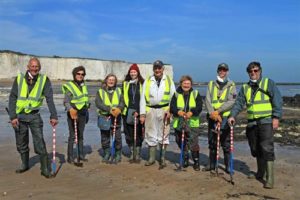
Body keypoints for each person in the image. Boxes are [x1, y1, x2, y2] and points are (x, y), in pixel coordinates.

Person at [228, 61, 282, 189]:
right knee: (255, 148)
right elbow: (239, 103)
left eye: (256, 70)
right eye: (251, 71)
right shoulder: (245, 88)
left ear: (260, 71)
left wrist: (276, 117)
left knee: (267, 148)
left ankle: (270, 179)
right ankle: (260, 173)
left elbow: (277, 100)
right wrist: (232, 115)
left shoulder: (268, 83)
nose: (253, 73)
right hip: (252, 123)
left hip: (266, 122)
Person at [8, 57, 58, 178]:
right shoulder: (19, 79)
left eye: (37, 66)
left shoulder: (44, 80)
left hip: (34, 116)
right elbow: (12, 98)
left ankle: (45, 168)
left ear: (39, 68)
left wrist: (53, 115)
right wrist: (13, 116)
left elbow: (49, 98)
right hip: (19, 117)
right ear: (28, 67)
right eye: (33, 66)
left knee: (40, 142)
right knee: (21, 143)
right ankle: (24, 164)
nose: (35, 68)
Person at [140, 60, 175, 167]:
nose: (157, 70)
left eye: (159, 68)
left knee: (164, 134)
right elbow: (142, 98)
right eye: (155, 68)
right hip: (150, 110)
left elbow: (173, 98)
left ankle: (162, 158)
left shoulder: (169, 80)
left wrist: (170, 111)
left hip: (164, 111)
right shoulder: (148, 80)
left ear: (163, 69)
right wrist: (142, 114)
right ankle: (151, 158)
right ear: (153, 69)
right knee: (150, 133)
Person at [203, 63, 237, 173]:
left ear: (227, 71)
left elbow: (231, 101)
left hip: (225, 118)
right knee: (212, 142)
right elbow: (207, 100)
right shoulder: (211, 84)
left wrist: (218, 112)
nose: (222, 72)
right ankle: (211, 164)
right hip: (212, 117)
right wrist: (213, 113)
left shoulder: (231, 85)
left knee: (226, 143)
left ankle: (228, 166)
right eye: (220, 70)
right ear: (217, 71)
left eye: (224, 70)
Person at [170, 75, 203, 171]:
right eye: (184, 83)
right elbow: (172, 107)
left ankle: (196, 162)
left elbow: (199, 106)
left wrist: (191, 112)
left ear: (191, 84)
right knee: (180, 141)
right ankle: (185, 159)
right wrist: (178, 112)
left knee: (193, 143)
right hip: (179, 122)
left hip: (192, 122)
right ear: (181, 84)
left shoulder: (195, 93)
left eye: (188, 83)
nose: (186, 85)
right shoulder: (176, 94)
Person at [62, 66, 90, 164]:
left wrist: (87, 110)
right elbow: (66, 101)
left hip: (83, 113)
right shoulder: (70, 86)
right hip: (73, 113)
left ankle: (81, 155)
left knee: (81, 135)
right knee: (73, 136)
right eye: (78, 74)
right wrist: (70, 110)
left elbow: (85, 99)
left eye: (82, 74)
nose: (80, 75)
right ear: (74, 74)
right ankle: (70, 157)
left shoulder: (84, 85)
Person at [95, 73, 125, 163]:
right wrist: (109, 110)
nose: (111, 81)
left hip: (116, 117)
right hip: (104, 117)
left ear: (115, 81)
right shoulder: (100, 91)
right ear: (106, 80)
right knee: (105, 137)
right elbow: (98, 103)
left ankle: (118, 154)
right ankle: (107, 153)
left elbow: (122, 102)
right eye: (109, 79)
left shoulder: (119, 91)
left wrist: (119, 109)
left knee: (117, 137)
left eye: (113, 80)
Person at [122, 64, 144, 162]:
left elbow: (145, 98)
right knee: (128, 132)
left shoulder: (143, 83)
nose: (133, 73)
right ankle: (132, 152)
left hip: (139, 111)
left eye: (134, 72)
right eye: (131, 72)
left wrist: (139, 112)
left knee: (139, 132)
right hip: (128, 111)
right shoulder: (126, 83)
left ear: (138, 73)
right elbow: (122, 97)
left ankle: (138, 153)